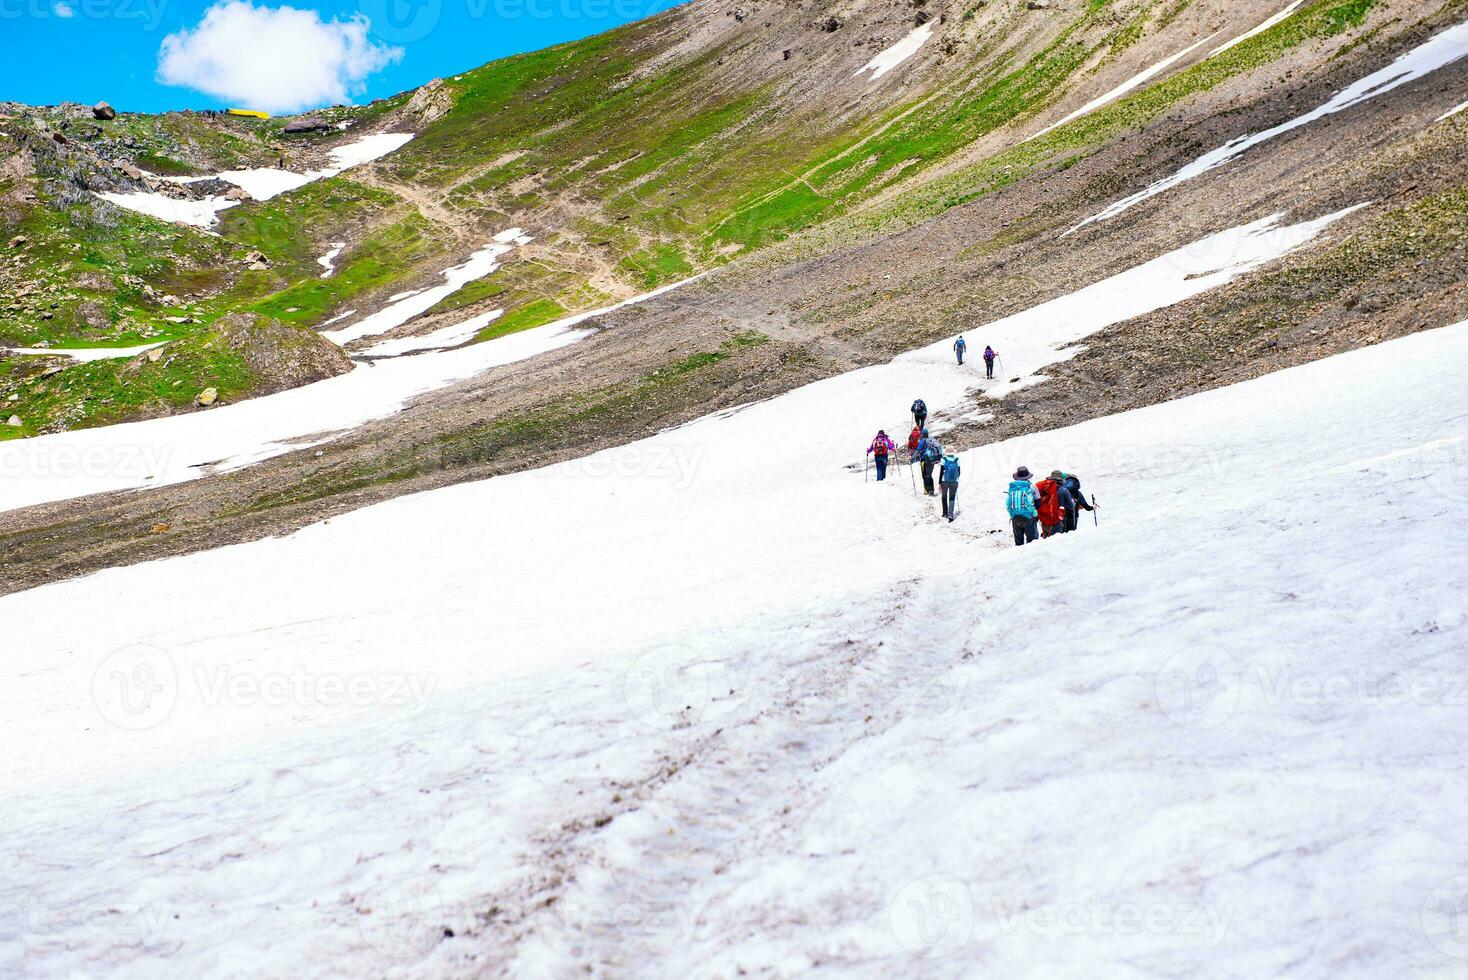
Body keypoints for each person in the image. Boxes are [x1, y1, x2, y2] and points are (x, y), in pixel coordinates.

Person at [1036, 470, 1074, 538]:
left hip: (1044, 520)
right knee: (1055, 542)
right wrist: (1072, 500)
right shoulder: (1063, 490)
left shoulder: (1044, 488)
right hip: (1056, 520)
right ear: (1060, 479)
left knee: (1045, 540)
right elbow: (1071, 507)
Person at [1006, 466, 1039, 546]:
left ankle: (1019, 557)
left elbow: (1009, 503)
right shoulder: (1032, 487)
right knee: (1032, 542)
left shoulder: (1012, 487)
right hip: (1029, 517)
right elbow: (1038, 503)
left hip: (1015, 517)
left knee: (1018, 542)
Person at [915, 429, 942, 496]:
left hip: (925, 460)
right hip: (932, 460)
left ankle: (928, 490)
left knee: (925, 475)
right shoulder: (931, 440)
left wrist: (911, 458)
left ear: (922, 434)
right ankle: (931, 490)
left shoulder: (922, 441)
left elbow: (917, 451)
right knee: (929, 475)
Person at [939, 452, 960, 521]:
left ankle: (945, 513)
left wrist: (939, 482)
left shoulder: (944, 459)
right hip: (954, 481)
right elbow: (959, 472)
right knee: (952, 497)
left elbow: (941, 471)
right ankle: (950, 515)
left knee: (944, 496)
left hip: (944, 480)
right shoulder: (957, 459)